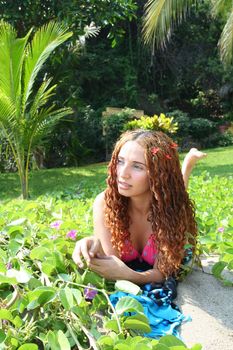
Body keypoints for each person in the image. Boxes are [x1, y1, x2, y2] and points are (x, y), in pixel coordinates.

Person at [72, 129, 206, 284]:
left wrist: (131, 276)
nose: (123, 174)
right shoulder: (104, 203)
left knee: (177, 194)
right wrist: (94, 246)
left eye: (137, 166)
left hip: (169, 204)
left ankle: (187, 165)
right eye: (120, 161)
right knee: (176, 193)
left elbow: (163, 273)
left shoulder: (175, 210)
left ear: (158, 174)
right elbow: (113, 263)